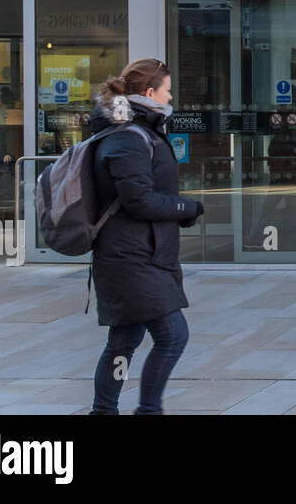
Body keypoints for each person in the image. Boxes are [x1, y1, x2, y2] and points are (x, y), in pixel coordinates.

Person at [89, 58, 204, 415]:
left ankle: (104, 410)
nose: (171, 97)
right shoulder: (127, 137)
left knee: (125, 340)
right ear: (150, 92)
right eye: (168, 90)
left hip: (141, 253)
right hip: (130, 258)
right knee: (172, 336)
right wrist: (187, 208)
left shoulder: (138, 130)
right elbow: (138, 201)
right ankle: (147, 410)